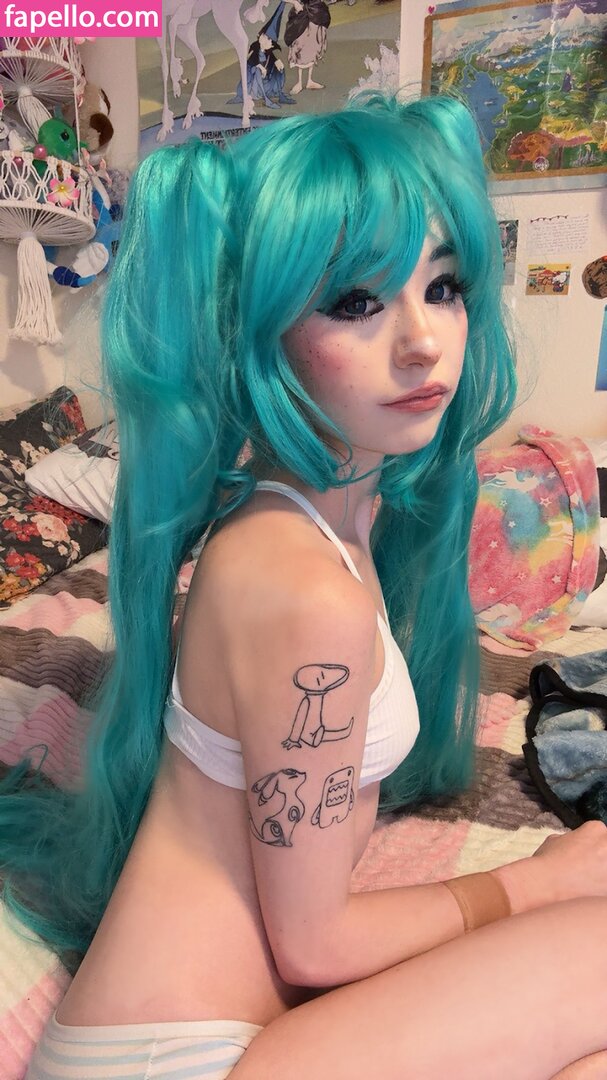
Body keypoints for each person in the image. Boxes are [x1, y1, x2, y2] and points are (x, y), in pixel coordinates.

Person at [2, 92, 607, 1080]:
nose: (422, 340)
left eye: (443, 286)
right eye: (355, 302)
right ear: (261, 332)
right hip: (177, 1059)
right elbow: (314, 946)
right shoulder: (302, 590)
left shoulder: (326, 522)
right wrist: (534, 886)